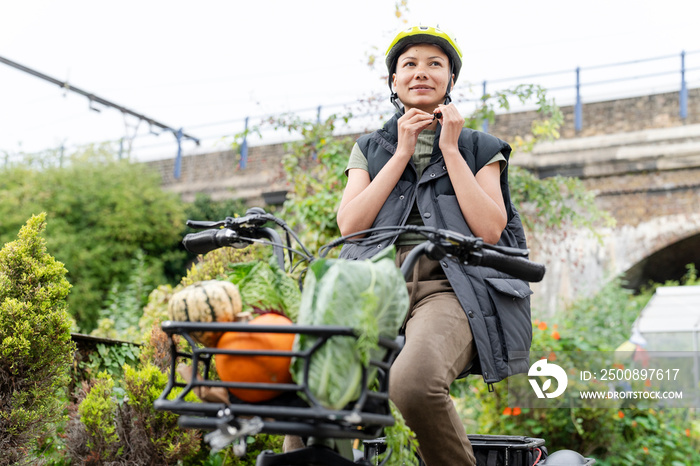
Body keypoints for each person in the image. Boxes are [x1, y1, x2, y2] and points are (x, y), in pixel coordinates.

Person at [336, 25, 533, 465]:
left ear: (449, 80)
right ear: (394, 81)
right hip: (375, 285)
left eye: (434, 64)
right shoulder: (370, 147)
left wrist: (450, 149)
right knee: (310, 380)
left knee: (412, 382)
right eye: (409, 64)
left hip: (450, 287)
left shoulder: (481, 147)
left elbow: (489, 229)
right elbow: (351, 225)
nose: (420, 73)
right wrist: (402, 152)